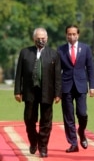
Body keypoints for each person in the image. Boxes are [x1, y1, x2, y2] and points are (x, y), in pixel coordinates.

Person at [14, 27, 62, 158]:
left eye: (43, 38)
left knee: (46, 120)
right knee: (29, 118)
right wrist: (17, 91)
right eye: (38, 38)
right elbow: (19, 74)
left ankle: (43, 146)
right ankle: (33, 140)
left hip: (47, 91)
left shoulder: (53, 54)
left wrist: (58, 93)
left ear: (47, 39)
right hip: (30, 90)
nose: (41, 40)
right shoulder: (25, 52)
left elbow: (58, 76)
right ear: (34, 39)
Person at [57, 25, 94, 153]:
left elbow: (90, 68)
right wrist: (56, 90)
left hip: (81, 85)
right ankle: (73, 143)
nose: (72, 36)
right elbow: (57, 71)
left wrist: (92, 86)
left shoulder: (85, 49)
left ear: (78, 35)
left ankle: (81, 132)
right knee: (69, 117)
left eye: (74, 34)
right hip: (66, 86)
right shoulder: (61, 50)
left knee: (82, 113)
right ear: (66, 35)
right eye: (69, 34)